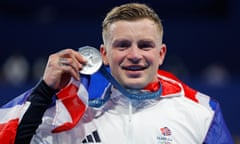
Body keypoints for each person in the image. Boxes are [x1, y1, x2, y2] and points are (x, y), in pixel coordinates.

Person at [13, 3, 233, 144]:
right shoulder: (71, 111)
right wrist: (44, 91)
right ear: (104, 54)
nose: (135, 55)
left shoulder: (202, 113)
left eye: (145, 45)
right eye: (123, 45)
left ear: (161, 54)